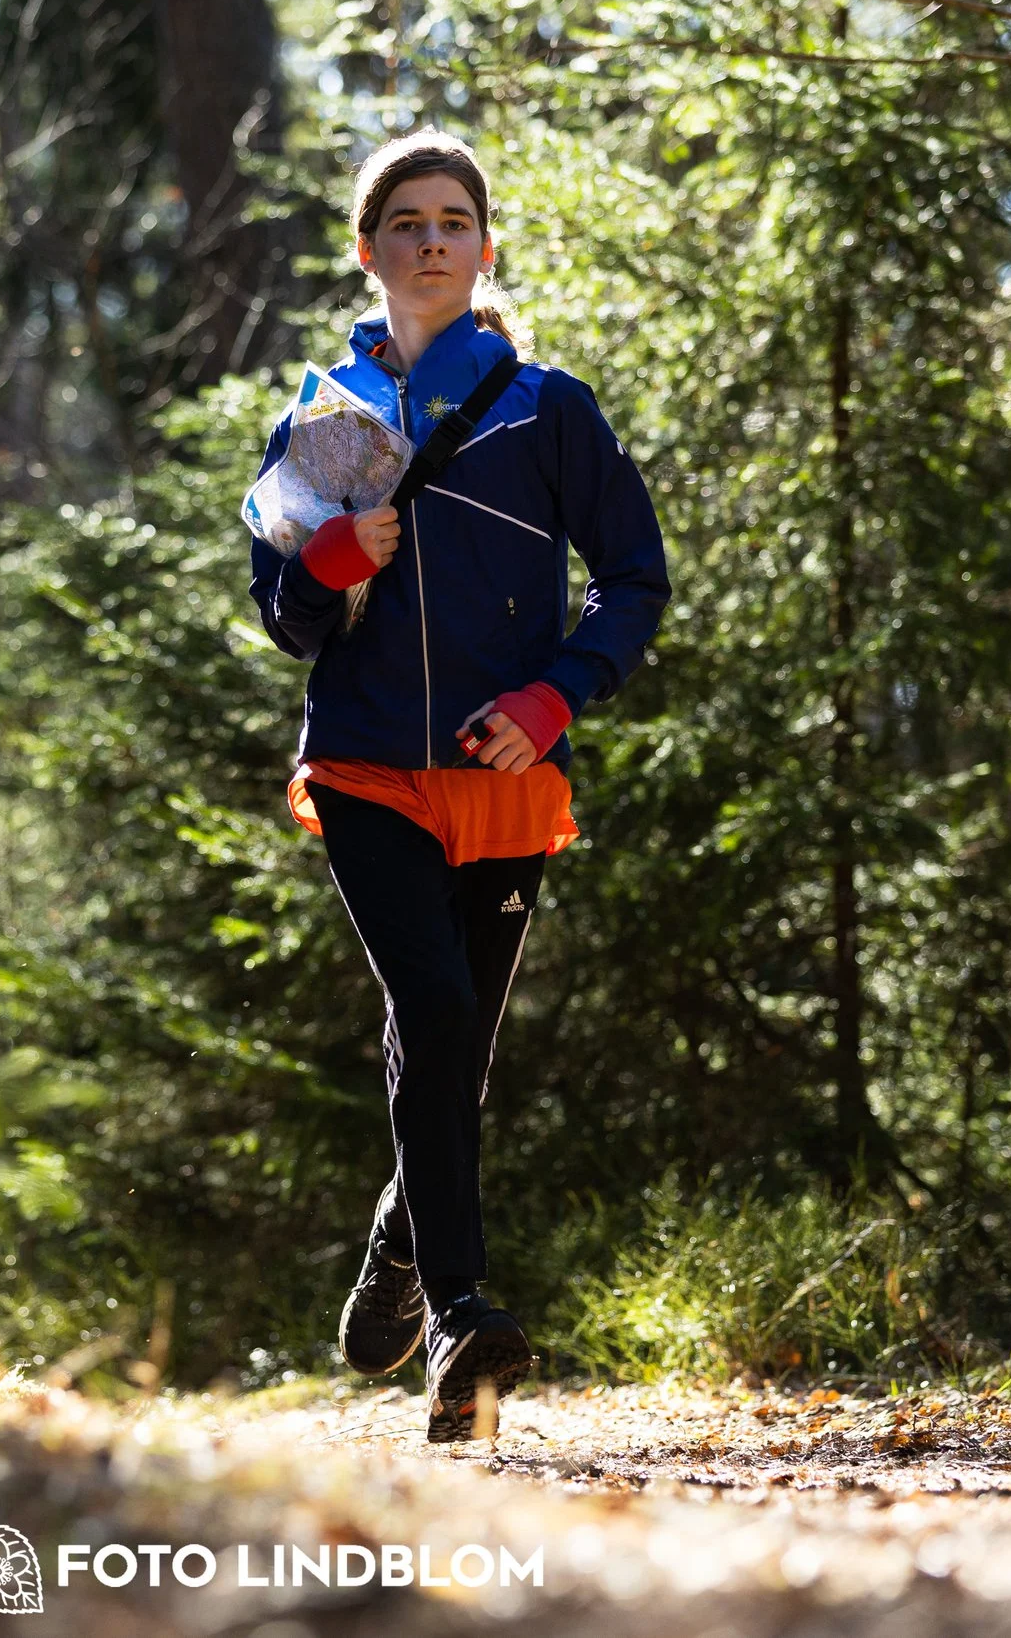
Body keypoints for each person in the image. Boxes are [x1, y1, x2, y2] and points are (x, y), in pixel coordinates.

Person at [245, 130, 671, 1440]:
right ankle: (461, 1321)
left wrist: (554, 699)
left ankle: (396, 1252)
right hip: (368, 761)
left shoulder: (551, 407)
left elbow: (636, 579)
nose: (433, 241)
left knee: (452, 1047)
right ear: (368, 250)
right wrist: (328, 559)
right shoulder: (320, 424)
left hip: (502, 771)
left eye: (455, 221)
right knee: (431, 1001)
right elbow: (284, 616)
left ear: (483, 248)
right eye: (408, 222)